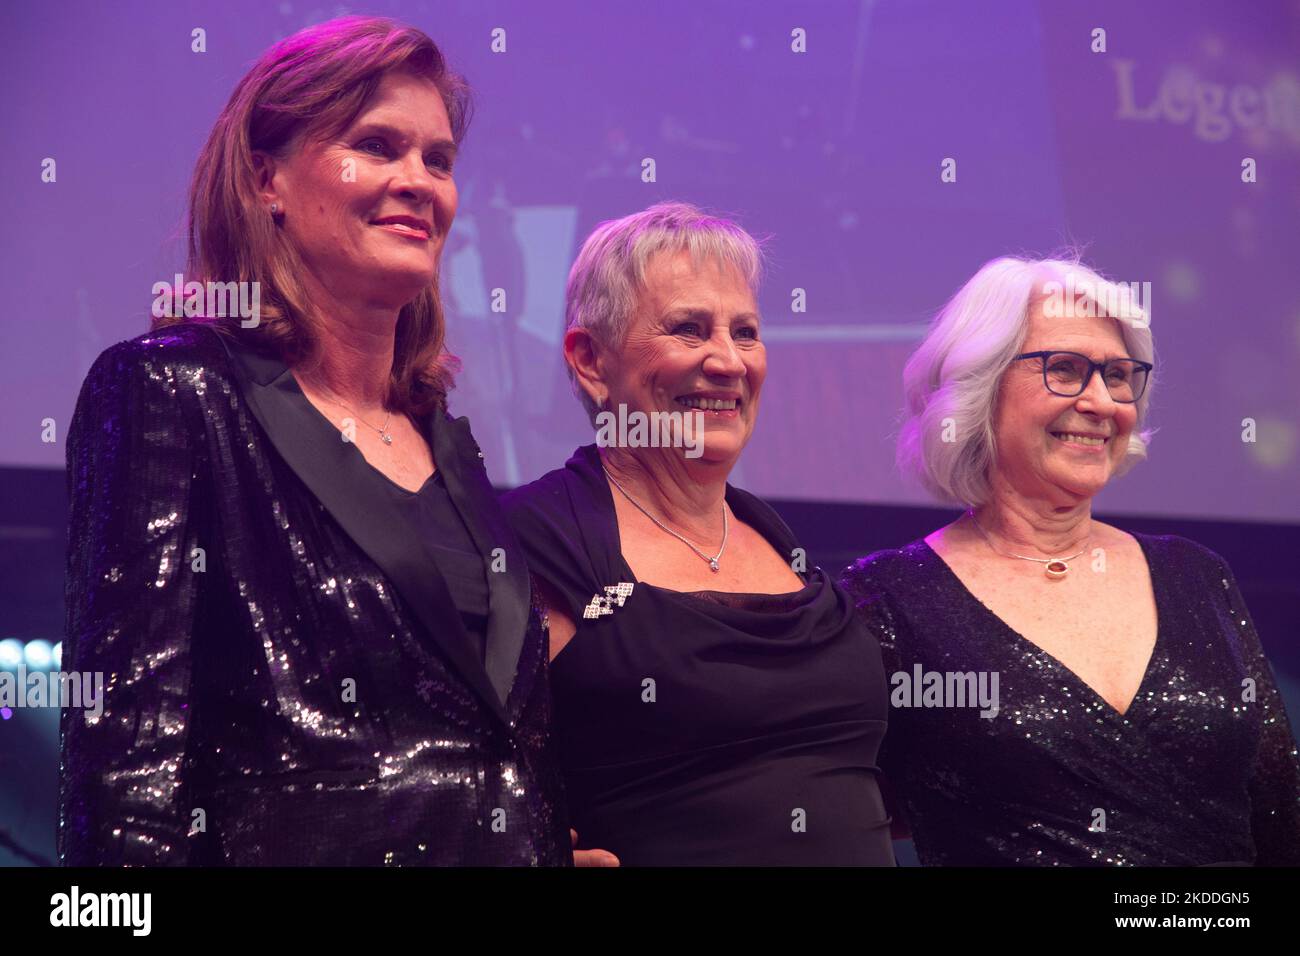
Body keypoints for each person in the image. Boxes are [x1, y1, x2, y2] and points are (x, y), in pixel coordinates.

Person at [59, 15, 572, 866]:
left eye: (438, 160)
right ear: (268, 180)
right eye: (377, 146)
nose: (419, 181)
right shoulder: (176, 393)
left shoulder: (447, 440)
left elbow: (499, 743)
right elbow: (128, 767)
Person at [840, 256, 1300, 865]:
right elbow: (852, 817)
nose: (1102, 402)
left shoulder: (1196, 574)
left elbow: (1280, 810)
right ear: (981, 384)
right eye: (1065, 369)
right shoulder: (885, 598)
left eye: (1117, 375)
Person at [501, 202, 894, 865]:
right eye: (689, 329)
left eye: (745, 332)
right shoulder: (523, 546)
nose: (728, 361)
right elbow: (433, 775)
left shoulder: (783, 547)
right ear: (590, 360)